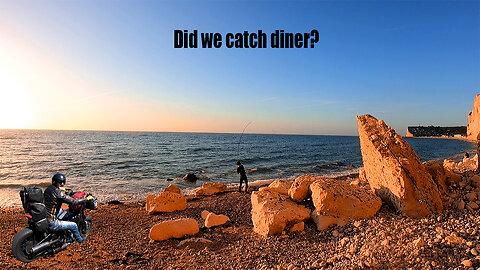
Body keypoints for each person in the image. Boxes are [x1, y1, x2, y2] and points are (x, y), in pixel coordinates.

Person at [44, 173, 92, 243]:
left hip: (46, 216)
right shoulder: (58, 193)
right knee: (74, 225)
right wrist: (86, 199)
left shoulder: (48, 189)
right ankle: (80, 240)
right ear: (57, 183)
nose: (62, 184)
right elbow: (73, 202)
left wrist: (63, 191)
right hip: (52, 222)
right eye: (60, 183)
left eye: (63, 182)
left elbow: (57, 196)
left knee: (61, 210)